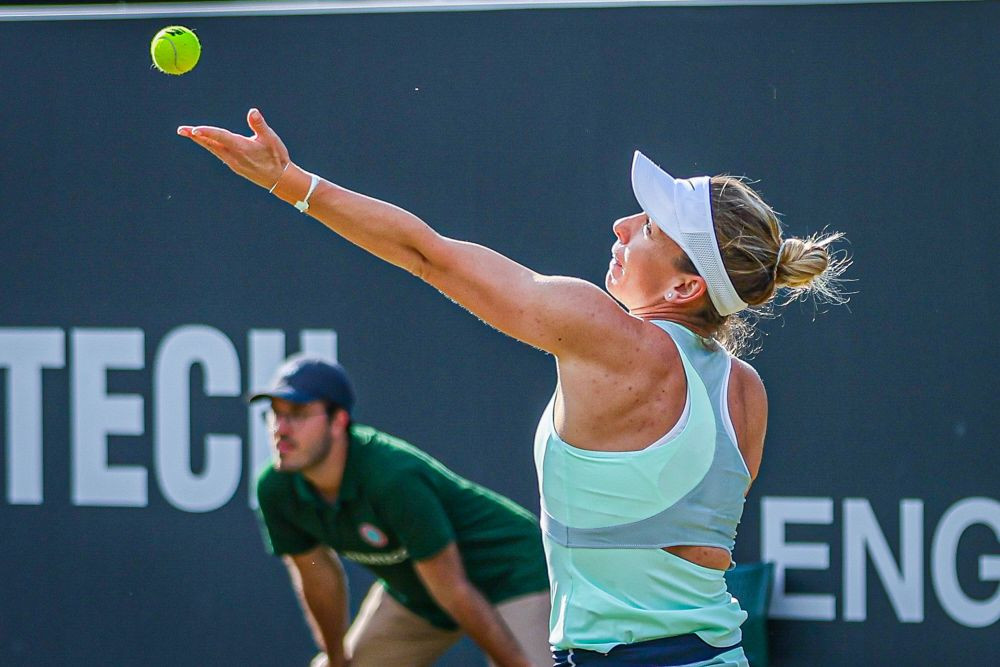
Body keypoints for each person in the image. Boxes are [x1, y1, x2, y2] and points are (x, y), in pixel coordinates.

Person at [179, 109, 848, 667]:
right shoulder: (747, 392)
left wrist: (288, 181)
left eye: (647, 227)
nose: (622, 226)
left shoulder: (606, 333)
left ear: (684, 286)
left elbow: (426, 253)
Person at [250, 355, 551, 667]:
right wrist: (337, 658)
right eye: (275, 414)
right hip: (422, 593)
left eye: (297, 414)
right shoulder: (275, 488)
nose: (280, 429)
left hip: (511, 575)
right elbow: (318, 577)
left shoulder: (392, 478)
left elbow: (453, 589)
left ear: (338, 420)